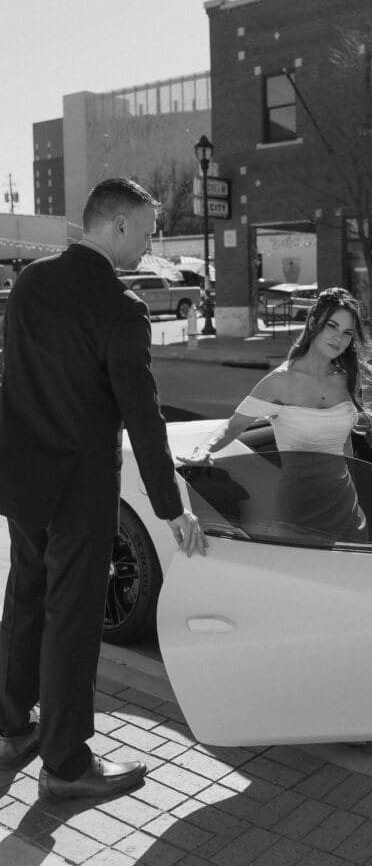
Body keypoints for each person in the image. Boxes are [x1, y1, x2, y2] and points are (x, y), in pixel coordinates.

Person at [0, 178, 207, 801]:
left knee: (25, 597)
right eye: (145, 232)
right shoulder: (121, 307)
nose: (149, 246)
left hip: (23, 475)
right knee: (72, 619)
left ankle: (10, 728)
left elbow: (12, 377)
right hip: (82, 489)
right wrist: (170, 507)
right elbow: (142, 415)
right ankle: (65, 764)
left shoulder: (30, 284)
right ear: (116, 225)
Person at [181, 287, 372, 542]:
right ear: (314, 322)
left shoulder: (347, 380)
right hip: (299, 509)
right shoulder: (280, 382)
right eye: (331, 326)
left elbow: (345, 445)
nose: (338, 338)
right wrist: (204, 449)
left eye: (347, 333)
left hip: (345, 507)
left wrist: (356, 492)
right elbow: (233, 426)